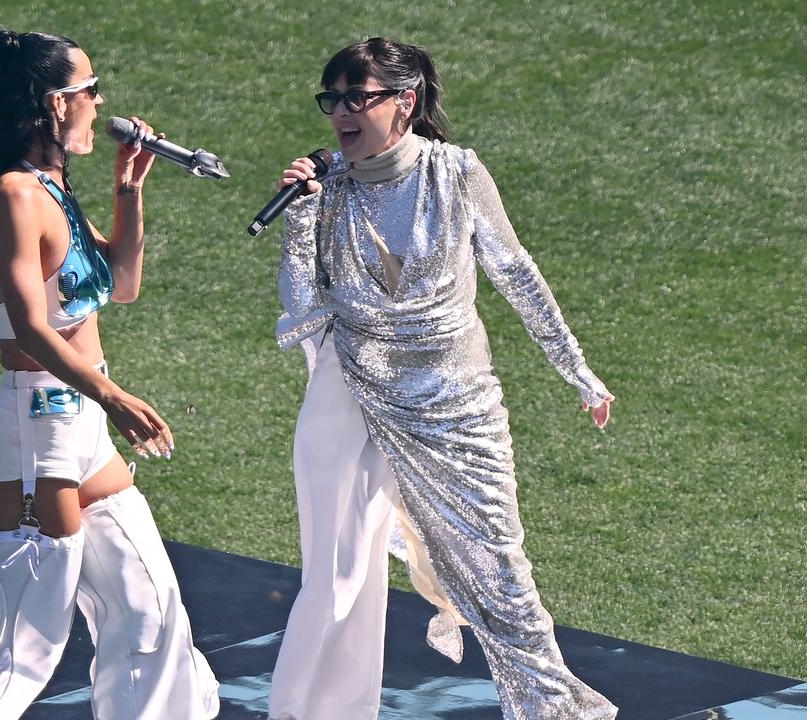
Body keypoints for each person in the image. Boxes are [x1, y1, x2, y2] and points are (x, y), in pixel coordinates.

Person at [269, 37, 618, 720]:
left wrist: (575, 368)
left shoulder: (455, 174)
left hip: (457, 400)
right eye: (331, 99)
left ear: (406, 101)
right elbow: (302, 308)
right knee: (336, 576)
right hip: (353, 396)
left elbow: (515, 272)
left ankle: (555, 711)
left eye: (356, 98)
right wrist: (300, 216)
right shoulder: (327, 186)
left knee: (500, 571)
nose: (340, 113)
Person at [0, 29, 219, 720]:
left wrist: (129, 193)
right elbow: (27, 328)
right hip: (39, 433)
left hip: (81, 430)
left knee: (147, 607)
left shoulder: (53, 186)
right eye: (89, 90)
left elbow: (119, 286)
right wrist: (113, 393)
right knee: (17, 645)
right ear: (53, 104)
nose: (101, 103)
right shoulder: (11, 195)